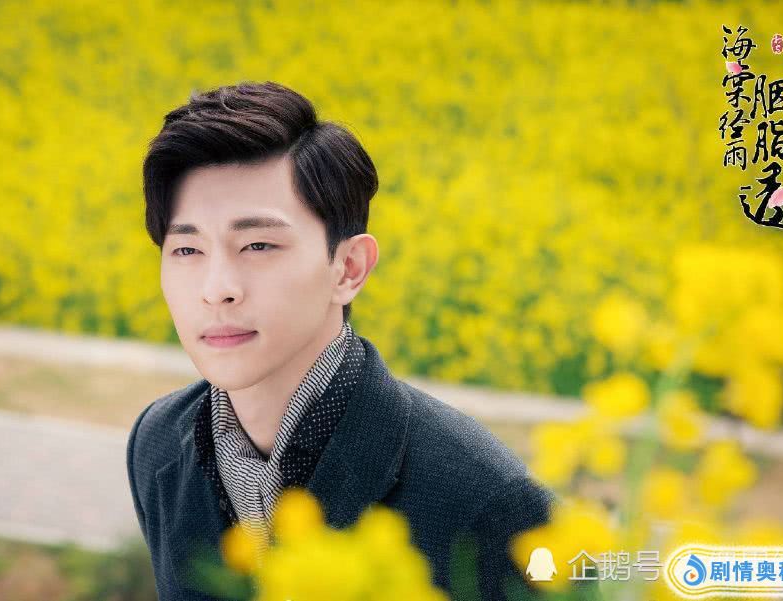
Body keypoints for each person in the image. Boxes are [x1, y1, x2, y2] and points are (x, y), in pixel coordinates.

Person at [126, 80, 578, 601]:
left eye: (258, 245)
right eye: (187, 250)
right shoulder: (157, 443)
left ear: (349, 268)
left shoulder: (490, 501)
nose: (217, 289)